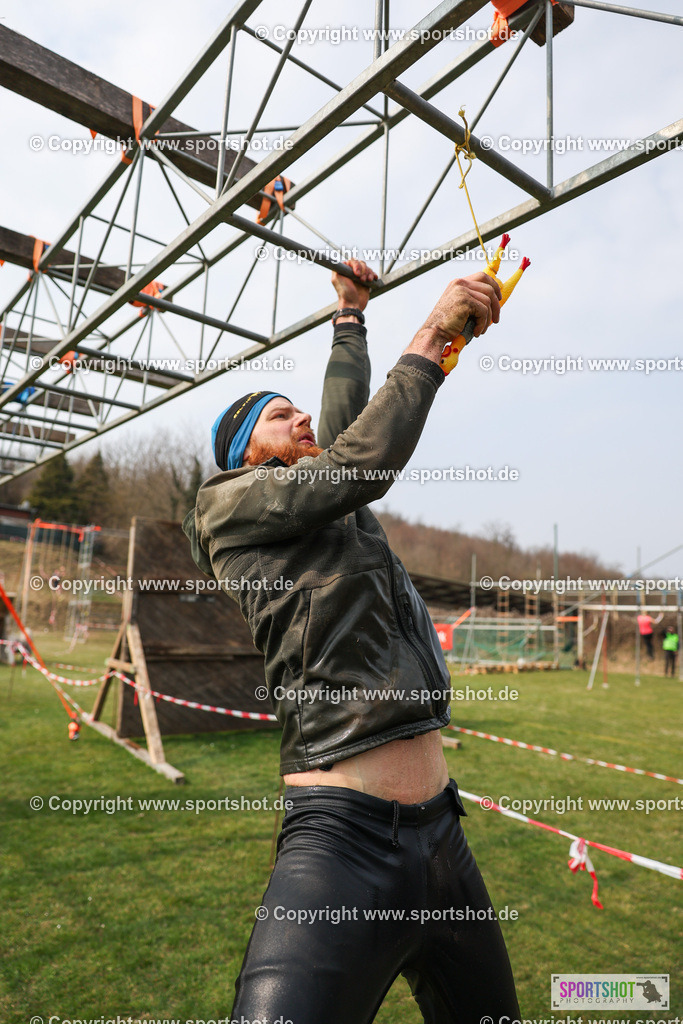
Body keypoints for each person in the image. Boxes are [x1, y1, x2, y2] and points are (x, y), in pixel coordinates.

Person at [183, 260, 520, 1024]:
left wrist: (350, 315)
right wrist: (432, 337)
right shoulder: (226, 508)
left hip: (443, 838)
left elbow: (343, 441)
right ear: (243, 456)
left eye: (299, 410)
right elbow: (358, 462)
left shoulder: (331, 512)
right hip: (341, 846)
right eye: (279, 415)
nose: (300, 419)